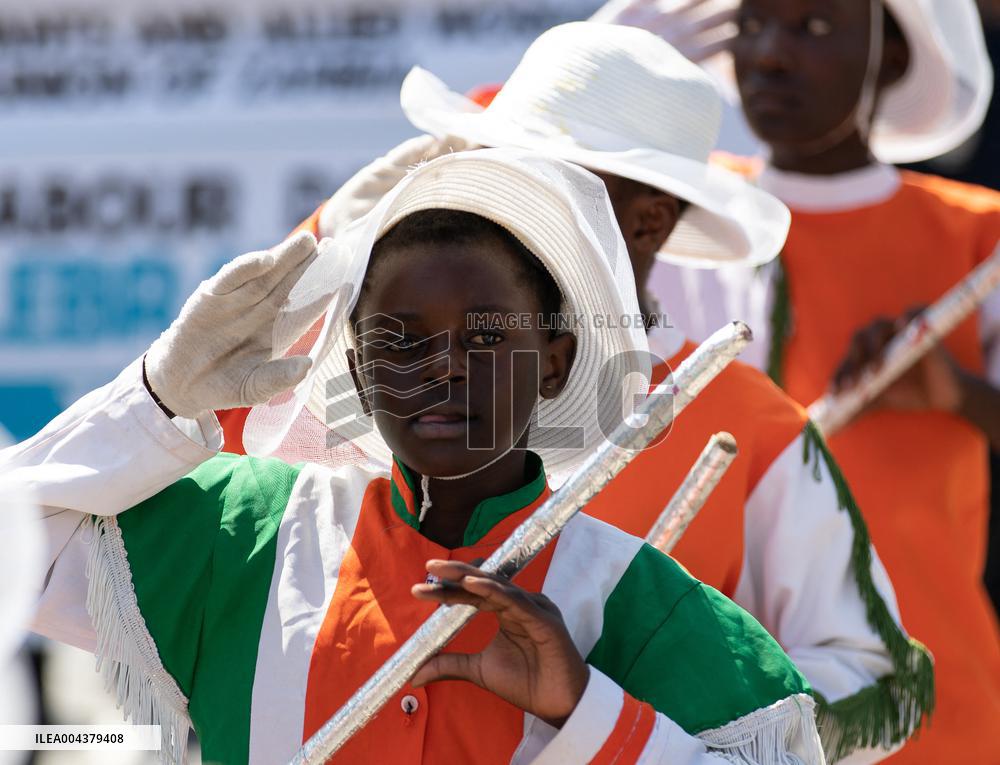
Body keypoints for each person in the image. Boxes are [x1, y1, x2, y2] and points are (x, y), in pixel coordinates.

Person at [222, 22, 932, 763]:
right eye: (499, 171)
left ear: (648, 219)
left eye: (545, 184)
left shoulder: (749, 420)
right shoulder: (390, 376)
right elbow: (187, 465)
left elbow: (886, 682)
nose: (503, 207)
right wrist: (320, 238)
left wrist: (677, 695)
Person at [2, 150, 824, 765]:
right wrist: (155, 396)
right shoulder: (241, 532)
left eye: (486, 334)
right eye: (398, 338)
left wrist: (589, 709)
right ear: (356, 370)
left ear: (556, 359)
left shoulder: (635, 601)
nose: (443, 365)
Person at [599, 1, 1000, 762]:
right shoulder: (668, 219)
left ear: (889, 55)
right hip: (704, 710)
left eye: (814, 27)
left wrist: (957, 393)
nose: (770, 55)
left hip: (934, 704)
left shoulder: (978, 235)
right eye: (751, 25)